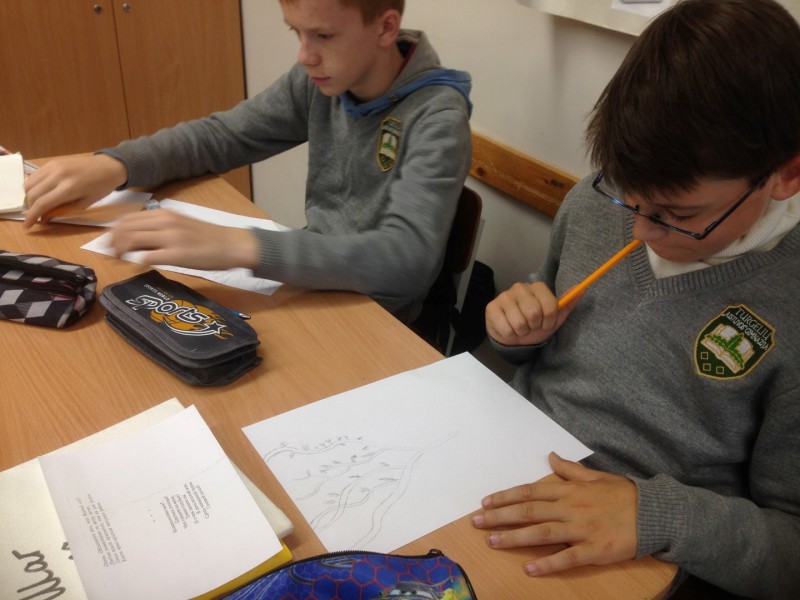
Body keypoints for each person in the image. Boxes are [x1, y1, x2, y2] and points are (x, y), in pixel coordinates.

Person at [472, 1, 800, 598]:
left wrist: (658, 516)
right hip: (506, 465)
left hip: (645, 558)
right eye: (630, 196)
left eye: (678, 214)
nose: (642, 230)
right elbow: (533, 352)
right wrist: (515, 336)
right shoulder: (596, 204)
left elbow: (790, 549)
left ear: (785, 175)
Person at [22, 0, 472, 324]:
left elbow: (405, 261)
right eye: (296, 32)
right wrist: (116, 165)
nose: (305, 56)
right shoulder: (320, 78)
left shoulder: (438, 117)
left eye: (323, 35)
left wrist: (243, 247)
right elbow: (225, 135)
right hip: (311, 289)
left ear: (386, 28)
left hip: (378, 321)